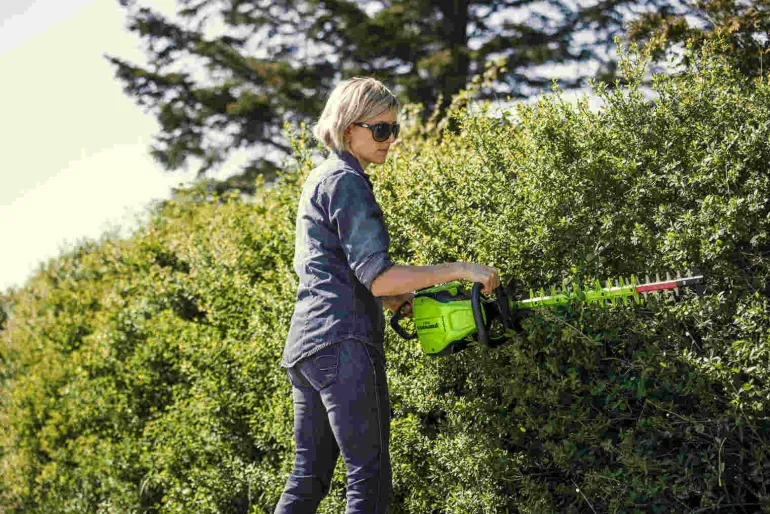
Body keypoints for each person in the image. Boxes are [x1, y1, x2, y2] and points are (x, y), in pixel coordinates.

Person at [274, 77, 500, 514]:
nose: (390, 139)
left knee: (308, 478)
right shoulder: (348, 181)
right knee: (370, 477)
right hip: (343, 343)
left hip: (306, 347)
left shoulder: (319, 177)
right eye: (380, 129)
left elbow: (334, 268)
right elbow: (378, 277)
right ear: (348, 128)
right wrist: (461, 269)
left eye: (394, 129)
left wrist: (392, 299)